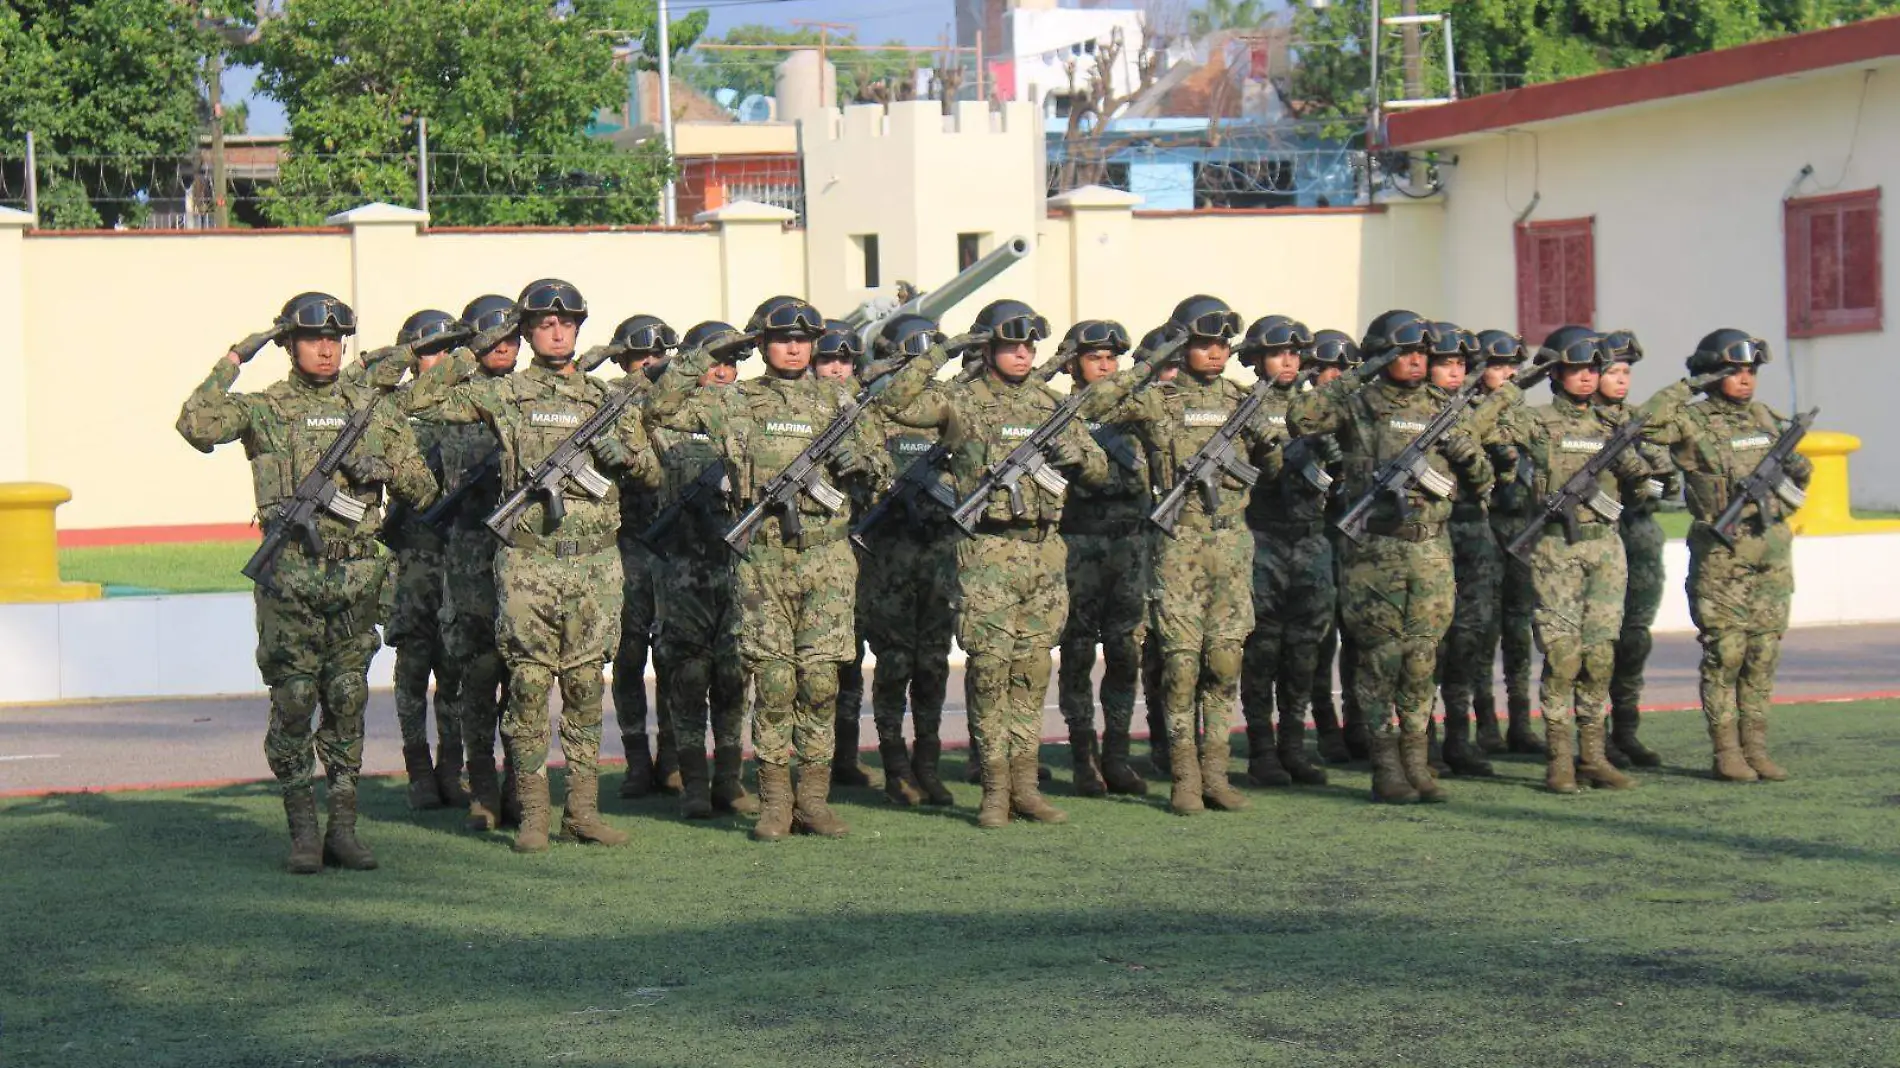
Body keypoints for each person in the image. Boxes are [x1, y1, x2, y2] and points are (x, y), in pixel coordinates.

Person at [176, 292, 439, 872]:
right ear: (289, 344)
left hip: (354, 577)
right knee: (295, 699)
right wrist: (236, 355)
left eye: (335, 339)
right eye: (312, 338)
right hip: (289, 577)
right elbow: (194, 423)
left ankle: (343, 828)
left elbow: (424, 493)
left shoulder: (372, 409)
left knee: (346, 700)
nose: (326, 348)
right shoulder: (265, 409)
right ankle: (302, 831)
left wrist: (387, 470)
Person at [404, 279, 660, 852]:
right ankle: (533, 815)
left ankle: (584, 811)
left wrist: (627, 456)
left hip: (594, 566)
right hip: (528, 564)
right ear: (526, 330)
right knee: (525, 688)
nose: (556, 331)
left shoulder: (603, 398)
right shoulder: (504, 393)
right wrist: (480, 343)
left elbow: (649, 473)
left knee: (585, 689)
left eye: (566, 323)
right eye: (543, 323)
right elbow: (419, 400)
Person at [645, 297, 890, 841]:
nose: (796, 346)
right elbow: (659, 409)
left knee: (822, 681)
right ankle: (776, 804)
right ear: (761, 344)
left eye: (804, 338)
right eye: (782, 337)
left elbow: (882, 469)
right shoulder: (735, 402)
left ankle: (815, 802)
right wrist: (711, 350)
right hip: (762, 562)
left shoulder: (841, 401)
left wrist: (864, 464)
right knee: (775, 683)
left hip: (826, 558)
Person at [876, 299, 1111, 827]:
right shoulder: (959, 400)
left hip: (1044, 553)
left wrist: (1080, 459)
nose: (1024, 354)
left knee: (1031, 671)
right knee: (988, 672)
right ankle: (994, 791)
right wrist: (942, 350)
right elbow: (895, 401)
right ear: (988, 347)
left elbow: (1097, 469)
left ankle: (1025, 789)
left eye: (1030, 346)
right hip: (985, 551)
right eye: (1011, 345)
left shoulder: (1052, 406)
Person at [1080, 296, 1277, 815]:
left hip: (1232, 542)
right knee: (1182, 665)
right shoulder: (1158, 399)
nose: (1215, 353)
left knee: (1225, 660)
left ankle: (1216, 773)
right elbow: (1094, 405)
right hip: (1178, 544)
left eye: (1222, 345)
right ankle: (1185, 778)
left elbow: (1275, 459)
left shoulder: (1243, 400)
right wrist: (1152, 358)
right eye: (1204, 343)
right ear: (1183, 343)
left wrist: (1269, 440)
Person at [1290, 310, 1494, 804]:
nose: (1417, 361)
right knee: (1382, 659)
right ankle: (1386, 766)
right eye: (1404, 352)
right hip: (1376, 549)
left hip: (1430, 548)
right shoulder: (1358, 402)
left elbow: (1483, 483)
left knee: (1423, 659)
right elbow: (1302, 418)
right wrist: (1361, 369)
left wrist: (1469, 455)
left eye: (1423, 353)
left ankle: (1418, 762)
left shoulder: (1447, 407)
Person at [1487, 326, 1652, 793]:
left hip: (1605, 547)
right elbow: (1474, 427)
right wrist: (1523, 382)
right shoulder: (1535, 421)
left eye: (1592, 369)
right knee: (1562, 656)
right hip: (1556, 548)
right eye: (1576, 368)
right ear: (1556, 372)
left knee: (1600, 655)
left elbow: (1644, 490)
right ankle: (1560, 759)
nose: (1586, 378)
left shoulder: (1614, 426)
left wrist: (1639, 474)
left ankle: (1593, 756)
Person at [1642, 330, 1810, 782]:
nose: (1744, 380)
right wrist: (1690, 384)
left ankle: (1756, 747)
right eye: (1734, 371)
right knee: (1726, 654)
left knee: (1763, 653)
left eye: (1750, 372)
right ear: (1714, 371)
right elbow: (1645, 424)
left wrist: (1795, 477)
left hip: (1770, 552)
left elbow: (1799, 473)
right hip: (1722, 556)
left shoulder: (1766, 418)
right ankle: (1726, 752)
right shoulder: (1691, 421)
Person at [648, 320, 758, 818]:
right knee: (689, 677)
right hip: (684, 566)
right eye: (713, 360)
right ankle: (694, 782)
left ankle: (730, 779)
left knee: (735, 676)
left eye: (731, 361)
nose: (722, 369)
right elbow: (654, 405)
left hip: (739, 566)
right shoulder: (669, 412)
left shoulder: (751, 411)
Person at [854, 315, 961, 806]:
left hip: (937, 552)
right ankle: (896, 765)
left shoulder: (950, 408)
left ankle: (929, 764)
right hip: (889, 554)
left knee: (934, 664)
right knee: (895, 665)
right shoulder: (871, 410)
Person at [1235, 315, 1335, 789]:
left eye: (1296, 354)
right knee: (1263, 650)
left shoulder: (1319, 408)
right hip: (1264, 537)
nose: (1289, 361)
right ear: (1257, 359)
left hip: (1311, 538)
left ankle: (1294, 745)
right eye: (1279, 353)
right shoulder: (1244, 406)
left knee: (1304, 651)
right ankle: (1261, 749)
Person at [1054, 319, 1153, 797]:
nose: (1107, 366)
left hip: (1129, 547)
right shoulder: (1059, 411)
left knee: (1124, 652)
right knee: (1076, 654)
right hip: (1079, 544)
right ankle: (1082, 758)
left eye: (1113, 359)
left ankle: (1117, 754)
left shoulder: (1138, 410)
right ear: (1073, 363)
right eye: (1096, 358)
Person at [380, 310, 474, 810]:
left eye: (447, 350)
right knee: (414, 666)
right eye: (431, 351)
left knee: (455, 666)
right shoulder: (394, 407)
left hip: (458, 556)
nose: (440, 361)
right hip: (415, 555)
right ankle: (418, 766)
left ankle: (451, 767)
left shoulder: (467, 405)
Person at [436, 294, 521, 832]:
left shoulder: (533, 393)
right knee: (477, 678)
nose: (503, 347)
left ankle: (520, 787)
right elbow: (409, 405)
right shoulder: (450, 400)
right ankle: (481, 787)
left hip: (523, 558)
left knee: (525, 681)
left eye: (512, 336)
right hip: (469, 559)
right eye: (490, 337)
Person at [606, 314, 682, 801]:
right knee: (629, 656)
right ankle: (637, 758)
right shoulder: (612, 396)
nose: (651, 364)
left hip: (672, 548)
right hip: (629, 546)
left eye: (659, 356)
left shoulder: (680, 401)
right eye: (641, 357)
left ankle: (672, 758)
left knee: (674, 658)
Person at [1424, 324, 1500, 779]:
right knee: (1428, 647)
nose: (1454, 373)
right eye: (1445, 364)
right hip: (1433, 535)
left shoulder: (1476, 414)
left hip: (1473, 534)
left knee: (1468, 642)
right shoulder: (1413, 412)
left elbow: (1491, 476)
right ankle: (1424, 742)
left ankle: (1459, 737)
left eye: (1460, 365)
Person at [1595, 329, 1669, 769]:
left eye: (1626, 372)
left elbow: (1664, 483)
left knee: (1635, 639)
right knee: (1597, 644)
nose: (1621, 380)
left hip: (1640, 539)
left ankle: (1626, 730)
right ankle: (1595, 734)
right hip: (1599, 540)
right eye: (1612, 371)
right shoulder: (1580, 423)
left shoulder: (1642, 422)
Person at [816, 322, 883, 792]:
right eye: (828, 360)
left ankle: (845, 755)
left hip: (855, 552)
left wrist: (867, 466)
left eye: (845, 361)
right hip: (806, 551)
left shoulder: (865, 414)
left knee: (849, 660)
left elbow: (884, 471)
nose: (837, 369)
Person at [1303, 329, 1361, 765]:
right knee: (1319, 641)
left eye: (1344, 369)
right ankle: (1324, 725)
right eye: (1328, 369)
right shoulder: (1301, 418)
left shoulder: (1363, 417)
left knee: (1359, 638)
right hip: (1315, 538)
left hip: (1358, 542)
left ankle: (1358, 723)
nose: (1336, 377)